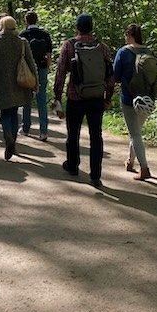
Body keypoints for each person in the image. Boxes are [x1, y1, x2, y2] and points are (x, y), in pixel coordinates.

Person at [53, 13, 115, 187]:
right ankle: (95, 175)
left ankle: (72, 165)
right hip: (96, 97)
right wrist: (107, 97)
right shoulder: (102, 47)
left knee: (73, 133)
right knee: (96, 135)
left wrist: (57, 96)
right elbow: (110, 75)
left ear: (77, 27)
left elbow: (60, 72)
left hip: (75, 96)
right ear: (92, 27)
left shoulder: (69, 45)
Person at [0, 16, 36, 160]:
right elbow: (30, 63)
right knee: (14, 112)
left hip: (2, 83)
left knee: (5, 113)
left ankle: (8, 136)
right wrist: (35, 83)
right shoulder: (22, 42)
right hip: (19, 83)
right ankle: (12, 140)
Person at [113, 24, 154, 180]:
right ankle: (130, 162)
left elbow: (116, 76)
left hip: (129, 98)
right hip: (147, 99)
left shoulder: (123, 52)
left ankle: (144, 168)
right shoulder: (149, 52)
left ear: (129, 34)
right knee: (136, 132)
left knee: (135, 134)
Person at [20, 11, 53, 140]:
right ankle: (43, 131)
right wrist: (47, 68)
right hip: (42, 68)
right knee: (41, 99)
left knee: (26, 98)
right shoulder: (45, 35)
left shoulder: (23, 35)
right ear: (37, 20)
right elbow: (49, 54)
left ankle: (26, 128)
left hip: (28, 69)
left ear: (26, 21)